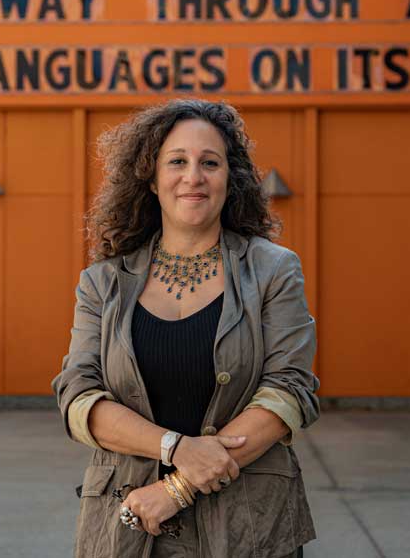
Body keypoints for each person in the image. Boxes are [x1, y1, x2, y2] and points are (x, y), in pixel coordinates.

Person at [51, 98, 320, 557]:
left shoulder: (274, 270)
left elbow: (289, 391)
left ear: (228, 180)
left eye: (209, 163)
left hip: (248, 529)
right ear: (151, 179)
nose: (193, 176)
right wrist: (175, 448)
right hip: (126, 525)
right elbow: (78, 397)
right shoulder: (102, 283)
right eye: (177, 161)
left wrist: (177, 488)